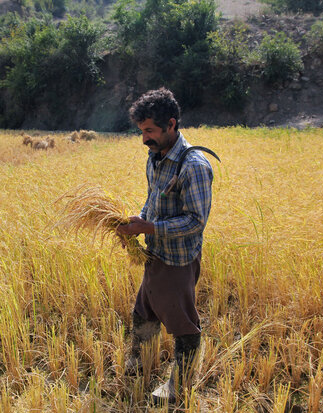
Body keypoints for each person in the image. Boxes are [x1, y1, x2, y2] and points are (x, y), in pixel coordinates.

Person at [116, 87, 214, 404]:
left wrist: (151, 227)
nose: (144, 138)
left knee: (183, 324)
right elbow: (153, 202)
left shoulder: (194, 166)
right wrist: (138, 221)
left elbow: (196, 220)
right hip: (154, 255)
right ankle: (138, 364)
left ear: (171, 124)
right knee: (143, 312)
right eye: (141, 131)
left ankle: (179, 387)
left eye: (149, 131)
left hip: (177, 261)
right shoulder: (156, 157)